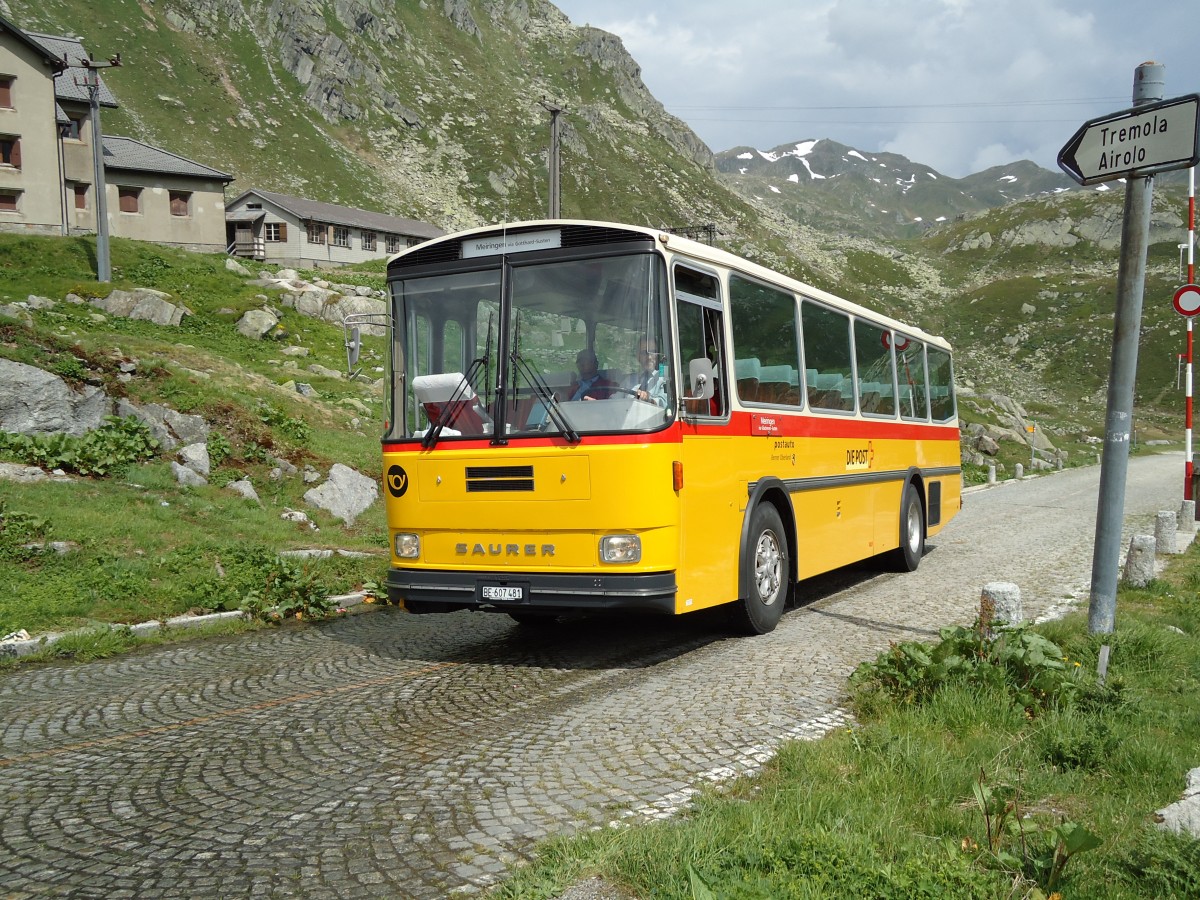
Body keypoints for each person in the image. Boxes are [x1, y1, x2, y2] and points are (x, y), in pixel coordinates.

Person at [622, 337, 669, 407]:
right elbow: (614, 400)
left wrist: (649, 400)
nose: (649, 357)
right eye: (644, 353)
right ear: (638, 356)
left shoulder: (663, 377)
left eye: (653, 352)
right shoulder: (629, 380)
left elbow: (667, 402)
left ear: (657, 355)